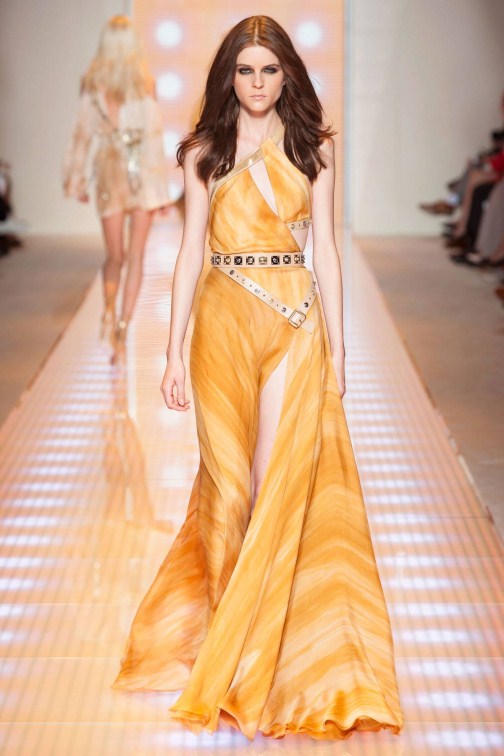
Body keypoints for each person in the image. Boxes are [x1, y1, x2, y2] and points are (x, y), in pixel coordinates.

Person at [111, 15, 404, 741]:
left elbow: (326, 250)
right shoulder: (205, 152)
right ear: (229, 76)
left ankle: (258, 664)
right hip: (222, 319)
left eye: (270, 70)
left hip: (295, 320)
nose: (258, 83)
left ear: (287, 75)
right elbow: (188, 253)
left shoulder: (314, 148)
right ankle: (227, 633)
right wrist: (171, 350)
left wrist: (340, 348)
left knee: (275, 484)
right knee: (229, 489)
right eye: (245, 70)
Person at [63, 15, 170, 356]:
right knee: (132, 256)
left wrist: (77, 179)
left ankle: (113, 317)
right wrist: (161, 190)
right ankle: (120, 324)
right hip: (139, 173)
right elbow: (153, 137)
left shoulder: (95, 83)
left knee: (117, 256)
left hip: (113, 170)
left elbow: (82, 134)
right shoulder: (143, 83)